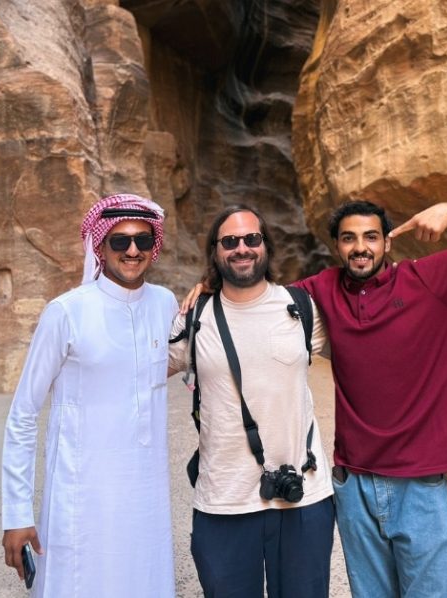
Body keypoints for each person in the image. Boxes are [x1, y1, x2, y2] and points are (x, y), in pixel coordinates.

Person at [291, 200, 447, 597]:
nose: (360, 247)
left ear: (387, 244)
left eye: (370, 237)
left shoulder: (429, 279)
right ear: (336, 246)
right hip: (354, 482)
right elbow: (257, 302)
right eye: (349, 238)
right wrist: (210, 286)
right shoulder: (323, 288)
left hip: (421, 483)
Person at [1, 194, 178, 597]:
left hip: (146, 498)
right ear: (99, 246)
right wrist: (16, 513)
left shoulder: (166, 304)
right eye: (119, 241)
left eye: (142, 241)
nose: (132, 250)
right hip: (82, 498)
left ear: (155, 246)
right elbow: (24, 414)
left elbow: (192, 359)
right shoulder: (65, 312)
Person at [168, 205, 335, 598]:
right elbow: (134, 375)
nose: (241, 248)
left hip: (304, 497)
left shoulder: (302, 309)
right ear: (215, 251)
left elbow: (368, 347)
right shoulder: (194, 318)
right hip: (223, 502)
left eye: (251, 239)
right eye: (229, 241)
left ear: (266, 246)